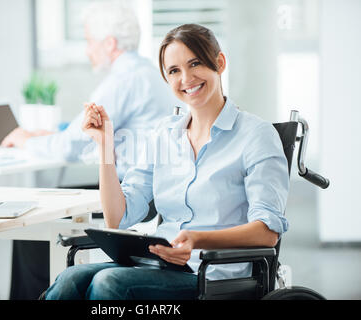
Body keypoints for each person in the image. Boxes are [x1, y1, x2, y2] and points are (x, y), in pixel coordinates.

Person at [43, 23, 290, 300]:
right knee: (70, 279)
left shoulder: (256, 135)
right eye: (174, 71)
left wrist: (197, 239)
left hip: (216, 276)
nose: (186, 78)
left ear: (219, 63)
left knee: (109, 283)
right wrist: (106, 146)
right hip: (161, 267)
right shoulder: (164, 134)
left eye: (194, 63)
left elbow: (267, 233)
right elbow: (119, 217)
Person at [7, 1, 181, 300]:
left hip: (135, 195)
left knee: (32, 220)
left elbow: (73, 145)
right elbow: (79, 133)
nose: (87, 51)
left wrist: (26, 140)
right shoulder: (149, 73)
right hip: (147, 191)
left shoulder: (122, 80)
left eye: (90, 41)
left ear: (110, 43)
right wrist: (52, 132)